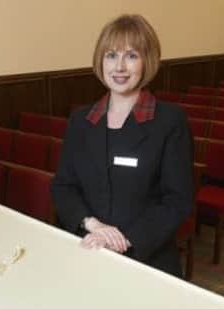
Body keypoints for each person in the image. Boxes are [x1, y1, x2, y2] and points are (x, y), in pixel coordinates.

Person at [51, 14, 193, 277]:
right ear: (100, 61)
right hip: (89, 248)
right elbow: (63, 187)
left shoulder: (170, 121)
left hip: (145, 258)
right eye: (111, 55)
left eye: (131, 56)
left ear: (147, 61)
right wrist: (93, 226)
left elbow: (177, 202)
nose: (119, 67)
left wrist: (121, 240)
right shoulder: (81, 120)